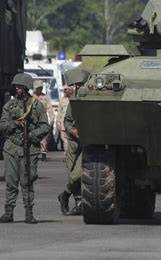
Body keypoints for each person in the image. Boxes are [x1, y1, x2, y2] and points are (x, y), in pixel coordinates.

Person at [0, 73, 51, 224]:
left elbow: (45, 126)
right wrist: (15, 124)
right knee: (11, 182)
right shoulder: (9, 106)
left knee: (27, 182)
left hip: (29, 148)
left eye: (20, 87)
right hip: (12, 148)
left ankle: (29, 213)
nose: (17, 89)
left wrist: (32, 135)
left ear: (26, 88)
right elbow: (2, 125)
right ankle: (8, 212)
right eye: (16, 87)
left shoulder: (37, 106)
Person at [57, 69, 90, 216]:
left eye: (80, 85)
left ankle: (64, 195)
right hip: (73, 142)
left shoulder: (93, 99)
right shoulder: (74, 101)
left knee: (77, 174)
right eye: (76, 86)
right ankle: (79, 202)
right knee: (72, 172)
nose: (77, 88)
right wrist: (72, 130)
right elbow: (67, 121)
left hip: (88, 142)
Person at [33, 80, 55, 161]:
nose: (39, 89)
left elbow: (49, 108)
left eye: (41, 88)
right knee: (34, 136)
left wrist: (51, 118)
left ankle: (43, 153)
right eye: (38, 88)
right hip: (33, 119)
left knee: (44, 137)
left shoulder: (45, 97)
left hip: (43, 118)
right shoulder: (32, 97)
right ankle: (34, 153)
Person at [56, 85, 74, 154]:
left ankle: (71, 153)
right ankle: (67, 153)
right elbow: (59, 112)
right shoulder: (62, 100)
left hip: (72, 124)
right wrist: (58, 122)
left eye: (68, 89)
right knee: (64, 139)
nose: (66, 91)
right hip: (63, 123)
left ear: (71, 90)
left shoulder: (75, 99)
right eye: (65, 90)